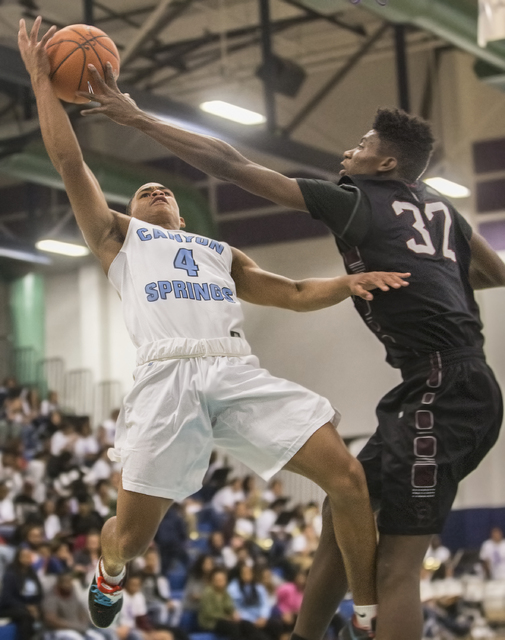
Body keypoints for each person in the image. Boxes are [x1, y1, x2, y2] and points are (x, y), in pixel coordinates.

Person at [71, 52, 505, 640]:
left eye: (362, 144)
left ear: (386, 162)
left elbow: (232, 166)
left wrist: (138, 118)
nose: (349, 151)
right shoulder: (442, 210)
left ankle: (370, 619)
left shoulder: (355, 200)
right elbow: (492, 272)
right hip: (425, 383)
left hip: (444, 386)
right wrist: (427, 277)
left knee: (398, 564)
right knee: (341, 499)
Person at [19, 17, 411, 634]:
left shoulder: (218, 252)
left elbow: (294, 291)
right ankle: (110, 569)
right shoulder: (119, 240)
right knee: (130, 539)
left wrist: (350, 283)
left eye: (161, 190)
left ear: (178, 209)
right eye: (141, 190)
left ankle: (365, 612)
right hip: (165, 380)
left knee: (348, 475)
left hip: (235, 369)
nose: (152, 190)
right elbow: (69, 162)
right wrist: (44, 81)